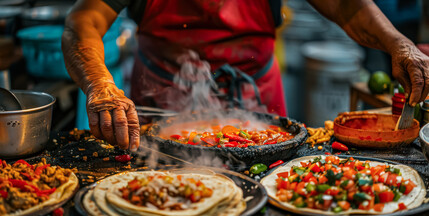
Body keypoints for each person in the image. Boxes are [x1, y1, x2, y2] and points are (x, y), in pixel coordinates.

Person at [62, 0, 429, 151]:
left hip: (260, 104)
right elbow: (83, 22)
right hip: (162, 101)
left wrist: (398, 43)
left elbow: (348, 9)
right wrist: (101, 85)